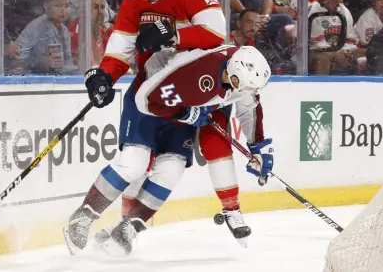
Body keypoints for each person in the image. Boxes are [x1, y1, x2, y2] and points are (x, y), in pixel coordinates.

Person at [63, 0, 226, 255]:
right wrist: (105, 77)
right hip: (146, 95)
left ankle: (127, 228)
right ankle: (82, 218)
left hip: (184, 97)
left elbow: (216, 34)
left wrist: (172, 36)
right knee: (133, 163)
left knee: (172, 168)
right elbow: (120, 49)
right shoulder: (136, 2)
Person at [94, 45, 274, 254]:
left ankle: (232, 209)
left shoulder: (243, 79)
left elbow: (249, 109)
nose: (242, 90)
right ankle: (121, 223)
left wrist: (257, 145)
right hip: (164, 91)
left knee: (200, 153)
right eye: (239, 84)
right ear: (232, 71)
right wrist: (182, 112)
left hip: (204, 96)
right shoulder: (199, 66)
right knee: (140, 158)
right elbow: (152, 92)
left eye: (247, 88)